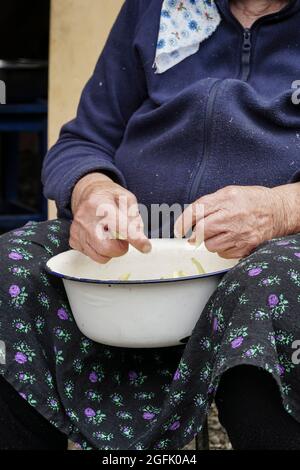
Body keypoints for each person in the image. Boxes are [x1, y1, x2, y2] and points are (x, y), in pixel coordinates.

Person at [0, 0, 300, 450]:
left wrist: (279, 209)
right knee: (13, 269)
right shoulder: (156, 7)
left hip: (275, 249)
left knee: (271, 290)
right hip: (138, 244)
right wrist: (91, 191)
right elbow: (83, 139)